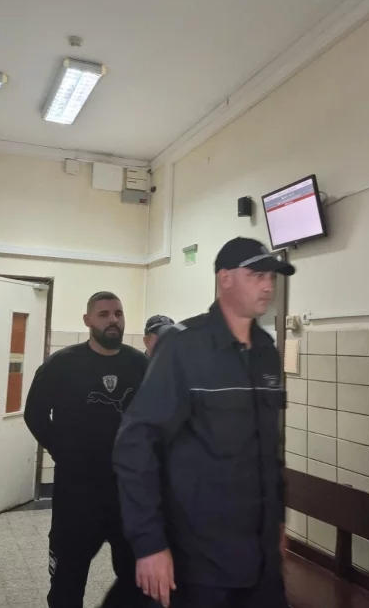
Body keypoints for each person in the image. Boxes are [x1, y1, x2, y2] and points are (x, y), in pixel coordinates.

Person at [113, 237, 294, 608]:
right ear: (225, 279)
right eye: (256, 275)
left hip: (262, 561)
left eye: (271, 277)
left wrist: (276, 521)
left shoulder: (266, 352)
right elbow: (136, 444)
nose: (267, 285)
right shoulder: (183, 347)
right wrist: (149, 544)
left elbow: (269, 451)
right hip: (199, 561)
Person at [26, 291, 151, 608]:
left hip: (126, 491)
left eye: (118, 314)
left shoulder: (140, 364)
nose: (113, 320)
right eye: (104, 314)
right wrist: (62, 451)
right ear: (87, 320)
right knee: (67, 579)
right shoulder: (62, 364)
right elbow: (34, 414)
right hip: (77, 492)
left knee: (135, 579)